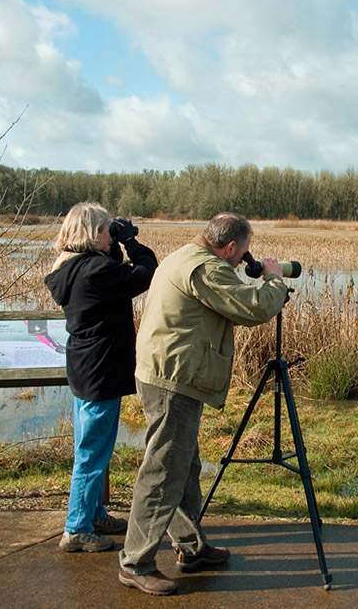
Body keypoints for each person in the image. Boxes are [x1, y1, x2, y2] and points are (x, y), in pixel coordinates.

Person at [118, 212, 289, 595]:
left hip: (166, 372)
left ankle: (192, 547)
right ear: (229, 247)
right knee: (163, 470)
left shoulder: (186, 254)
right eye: (242, 253)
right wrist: (273, 278)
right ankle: (135, 561)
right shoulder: (206, 269)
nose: (244, 259)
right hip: (172, 380)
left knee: (183, 463)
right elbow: (255, 307)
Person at [45, 202, 157, 553]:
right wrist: (131, 244)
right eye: (109, 229)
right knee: (92, 452)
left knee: (89, 446)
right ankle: (76, 528)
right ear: (94, 233)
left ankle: (93, 512)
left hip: (84, 367)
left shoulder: (71, 268)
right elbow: (145, 272)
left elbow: (118, 274)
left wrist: (117, 242)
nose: (113, 235)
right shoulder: (96, 271)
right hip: (101, 370)